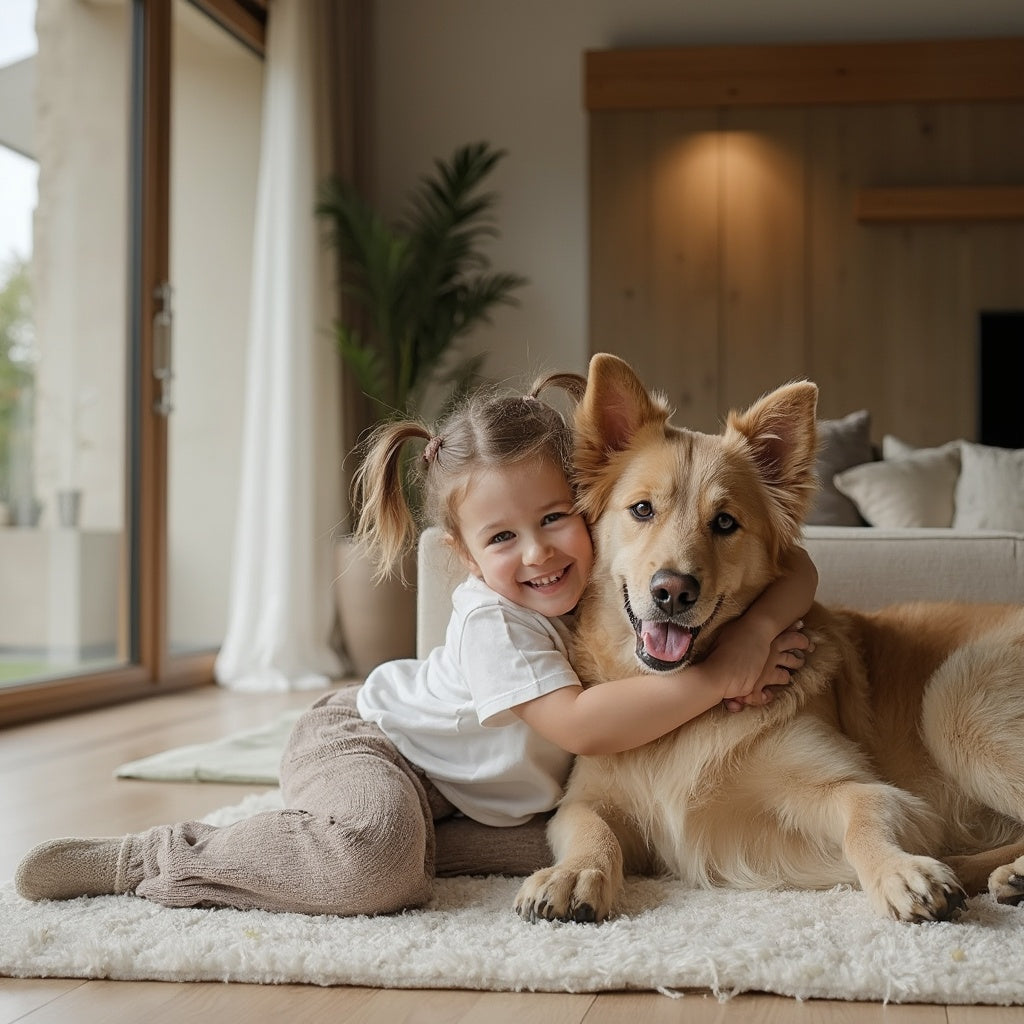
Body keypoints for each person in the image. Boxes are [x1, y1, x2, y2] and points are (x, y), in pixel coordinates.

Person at [15, 373, 815, 917]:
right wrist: (721, 678)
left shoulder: (616, 583)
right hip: (374, 746)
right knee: (379, 866)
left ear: (590, 504)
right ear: (465, 557)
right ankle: (159, 858)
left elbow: (799, 566)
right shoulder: (491, 620)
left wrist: (751, 626)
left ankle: (409, 841)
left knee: (578, 846)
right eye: (502, 537)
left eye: (552, 520)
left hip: (469, 794)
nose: (537, 554)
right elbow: (579, 727)